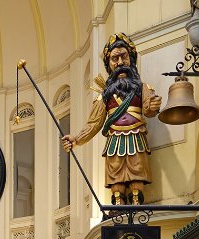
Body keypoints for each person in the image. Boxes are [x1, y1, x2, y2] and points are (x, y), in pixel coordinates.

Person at [61, 33, 162, 206]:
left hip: (136, 137)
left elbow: (148, 109)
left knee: (137, 176)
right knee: (116, 180)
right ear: (109, 65)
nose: (120, 63)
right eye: (115, 59)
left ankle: (136, 204)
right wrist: (76, 139)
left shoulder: (142, 87)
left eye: (124, 57)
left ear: (131, 59)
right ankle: (118, 207)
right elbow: (94, 124)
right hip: (114, 141)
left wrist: (152, 106)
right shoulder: (104, 96)